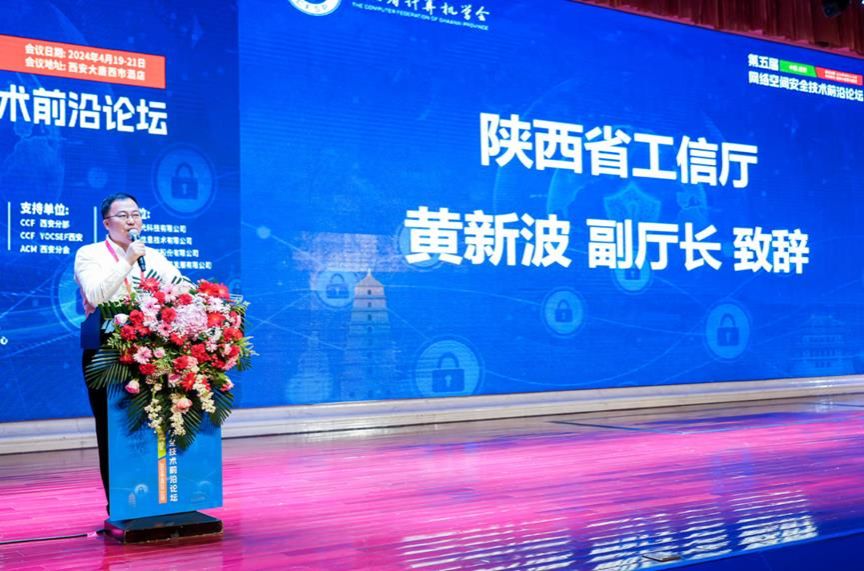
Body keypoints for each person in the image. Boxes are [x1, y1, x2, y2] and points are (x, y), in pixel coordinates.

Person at [74, 192, 184, 514]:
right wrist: (127, 261)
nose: (132, 220)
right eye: (123, 215)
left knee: (152, 425)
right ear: (107, 223)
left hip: (152, 352)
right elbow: (96, 295)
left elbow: (181, 285)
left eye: (136, 214)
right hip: (107, 353)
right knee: (114, 430)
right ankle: (121, 506)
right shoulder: (90, 254)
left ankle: (156, 500)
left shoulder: (154, 256)